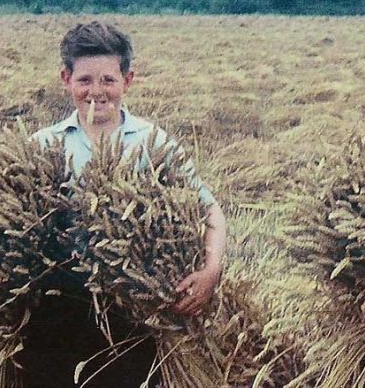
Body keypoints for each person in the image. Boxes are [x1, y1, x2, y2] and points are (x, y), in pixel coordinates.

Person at [23, 21, 227, 387]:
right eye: (84, 80)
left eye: (108, 80)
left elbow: (208, 209)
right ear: (65, 78)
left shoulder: (151, 142)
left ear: (127, 80)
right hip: (55, 306)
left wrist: (211, 272)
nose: (96, 92)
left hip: (132, 311)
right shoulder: (42, 145)